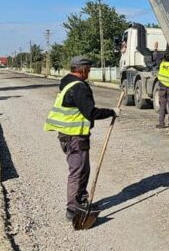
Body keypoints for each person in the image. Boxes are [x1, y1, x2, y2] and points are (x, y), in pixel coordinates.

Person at [43, 56, 121, 221]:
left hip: (68, 135)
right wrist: (111, 112)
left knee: (82, 170)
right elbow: (90, 112)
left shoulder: (67, 82)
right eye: (89, 69)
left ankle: (81, 201)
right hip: (74, 136)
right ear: (82, 69)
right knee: (78, 172)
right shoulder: (79, 87)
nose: (90, 72)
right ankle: (73, 209)